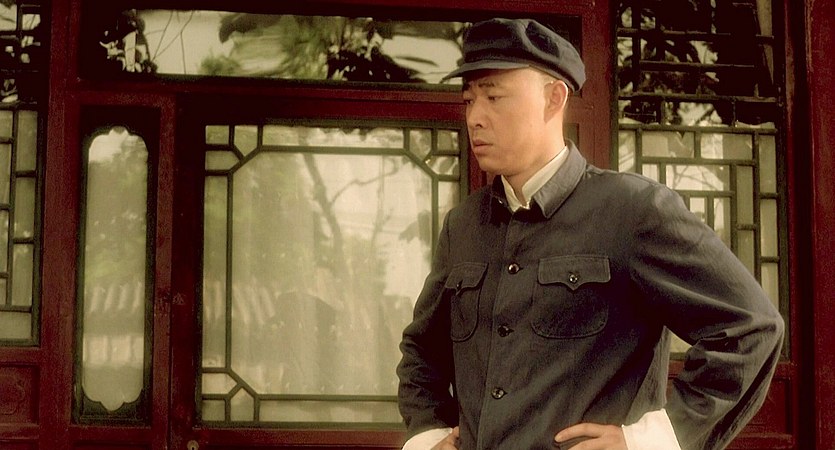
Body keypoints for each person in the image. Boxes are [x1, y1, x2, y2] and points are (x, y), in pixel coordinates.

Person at [396, 17, 784, 450]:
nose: (475, 118)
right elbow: (422, 352)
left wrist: (645, 441)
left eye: (494, 97)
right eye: (469, 100)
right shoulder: (464, 225)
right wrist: (429, 435)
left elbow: (750, 328)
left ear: (554, 98)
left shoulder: (634, 211)